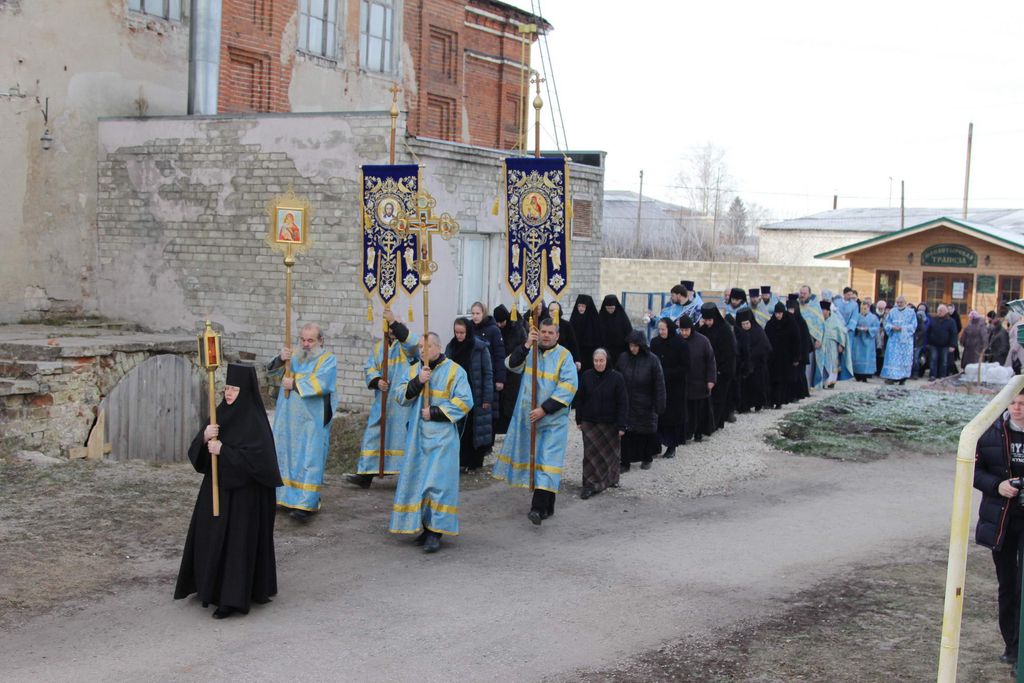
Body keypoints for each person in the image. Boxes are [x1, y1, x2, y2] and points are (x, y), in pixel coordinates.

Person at [174, 363, 281, 619]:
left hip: (244, 499)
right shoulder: (219, 413)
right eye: (227, 387)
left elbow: (261, 464)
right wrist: (204, 437)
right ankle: (208, 586)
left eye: (234, 389)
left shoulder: (255, 421)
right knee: (208, 536)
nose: (229, 393)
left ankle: (232, 599)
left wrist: (224, 451)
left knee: (236, 546)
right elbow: (198, 455)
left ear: (246, 391)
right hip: (216, 489)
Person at [389, 333, 473, 553]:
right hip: (417, 438)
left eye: (426, 347)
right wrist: (418, 381)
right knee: (420, 483)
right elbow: (399, 396)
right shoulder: (414, 370)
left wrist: (435, 412)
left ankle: (436, 532)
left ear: (438, 347)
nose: (422, 351)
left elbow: (465, 401)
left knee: (438, 485)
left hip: (442, 439)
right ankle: (425, 528)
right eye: (419, 347)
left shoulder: (455, 371)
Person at [492, 318, 579, 525]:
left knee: (548, 462)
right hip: (530, 418)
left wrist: (544, 409)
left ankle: (537, 508)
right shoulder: (530, 351)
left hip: (553, 420)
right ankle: (548, 505)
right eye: (543, 332)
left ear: (557, 335)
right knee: (538, 461)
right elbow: (511, 365)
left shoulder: (564, 356)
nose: (546, 335)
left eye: (550, 332)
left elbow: (568, 387)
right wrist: (525, 345)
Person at [973, 390, 1024, 666]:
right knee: (1007, 584)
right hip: (1001, 519)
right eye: (1012, 403)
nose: (1016, 409)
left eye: (1022, 404)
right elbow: (973, 471)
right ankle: (1012, 646)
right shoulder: (990, 432)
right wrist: (998, 486)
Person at [268, 323, 338, 520]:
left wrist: (295, 383)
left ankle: (306, 504)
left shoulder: (328, 359)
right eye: (303, 340)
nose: (306, 344)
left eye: (310, 340)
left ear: (320, 341)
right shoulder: (293, 357)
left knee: (309, 459)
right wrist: (280, 359)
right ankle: (282, 497)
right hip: (287, 419)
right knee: (285, 456)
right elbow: (271, 376)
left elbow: (323, 383)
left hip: (311, 421)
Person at [348, 311, 419, 489]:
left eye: (396, 327)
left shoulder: (407, 345)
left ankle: (405, 475)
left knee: (401, 436)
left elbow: (412, 344)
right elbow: (370, 367)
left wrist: (394, 321)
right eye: (390, 328)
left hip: (402, 401)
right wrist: (377, 380)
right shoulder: (379, 347)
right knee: (374, 433)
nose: (393, 331)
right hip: (383, 399)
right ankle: (365, 473)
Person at [574, 348, 628, 499]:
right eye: (596, 361)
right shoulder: (586, 376)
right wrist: (578, 419)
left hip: (610, 423)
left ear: (607, 360)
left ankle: (611, 479)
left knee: (611, 454)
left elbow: (623, 402)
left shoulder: (617, 378)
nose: (598, 363)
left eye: (601, 360)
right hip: (590, 421)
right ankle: (589, 484)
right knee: (590, 455)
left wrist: (622, 425)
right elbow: (580, 399)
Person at [446, 317, 494, 471]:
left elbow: (488, 374)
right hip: (457, 394)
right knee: (459, 428)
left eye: (462, 332)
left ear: (468, 331)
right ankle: (459, 461)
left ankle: (472, 462)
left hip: (475, 393)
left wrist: (487, 398)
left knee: (474, 429)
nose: (459, 336)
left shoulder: (479, 348)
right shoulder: (451, 347)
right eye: (456, 332)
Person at [616, 330, 666, 471]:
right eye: (631, 345)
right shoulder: (623, 358)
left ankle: (647, 458)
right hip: (627, 402)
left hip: (646, 403)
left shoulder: (653, 360)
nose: (633, 348)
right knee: (626, 433)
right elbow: (616, 379)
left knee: (646, 433)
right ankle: (625, 462)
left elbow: (659, 384)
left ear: (642, 345)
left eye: (636, 345)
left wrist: (660, 404)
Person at [649, 317, 688, 458]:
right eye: (659, 329)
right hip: (658, 386)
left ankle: (672, 446)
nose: (661, 332)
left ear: (669, 329)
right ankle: (655, 446)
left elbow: (685, 367)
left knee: (672, 418)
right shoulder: (655, 342)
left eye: (663, 329)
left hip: (675, 387)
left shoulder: (681, 344)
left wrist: (666, 373)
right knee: (657, 416)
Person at [699, 303, 736, 430]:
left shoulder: (725, 330)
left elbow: (729, 353)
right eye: (705, 320)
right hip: (708, 370)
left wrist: (720, 370)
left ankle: (715, 424)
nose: (708, 323)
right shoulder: (704, 329)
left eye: (710, 320)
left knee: (718, 399)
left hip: (722, 369)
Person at [493, 304, 525, 434]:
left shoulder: (517, 330)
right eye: (498, 322)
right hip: (501, 369)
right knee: (501, 401)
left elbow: (522, 348)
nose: (500, 325)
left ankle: (512, 429)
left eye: (502, 322)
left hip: (514, 371)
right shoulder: (496, 330)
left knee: (512, 400)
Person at [470, 301, 506, 410]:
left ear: (484, 313)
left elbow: (499, 355)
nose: (475, 316)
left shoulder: (493, 330)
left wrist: (500, 379)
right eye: (473, 313)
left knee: (488, 408)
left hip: (489, 374)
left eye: (478, 313)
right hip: (474, 373)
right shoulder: (470, 328)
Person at [764, 302, 800, 407]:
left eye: (780, 313)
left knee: (782, 381)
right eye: (776, 313)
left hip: (786, 358)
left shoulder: (791, 323)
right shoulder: (770, 324)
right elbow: (765, 339)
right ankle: (771, 401)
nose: (778, 315)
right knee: (772, 380)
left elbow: (796, 341)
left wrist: (796, 357)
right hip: (773, 358)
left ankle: (779, 401)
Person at [736, 309, 771, 410]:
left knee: (757, 386)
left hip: (757, 365)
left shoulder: (758, 331)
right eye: (743, 324)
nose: (745, 326)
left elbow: (765, 347)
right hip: (743, 366)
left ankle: (758, 404)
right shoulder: (738, 333)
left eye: (747, 323)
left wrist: (752, 356)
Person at [881, 296, 918, 385]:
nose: (899, 304)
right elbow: (887, 323)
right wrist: (892, 327)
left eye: (901, 302)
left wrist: (902, 328)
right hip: (894, 340)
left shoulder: (911, 312)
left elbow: (913, 325)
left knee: (904, 360)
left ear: (905, 302)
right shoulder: (892, 311)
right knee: (892, 359)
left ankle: (903, 378)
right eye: (897, 302)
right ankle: (891, 377)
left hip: (905, 341)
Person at [798, 286, 826, 389]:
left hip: (810, 339)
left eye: (804, 293)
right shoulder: (796, 304)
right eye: (801, 293)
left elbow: (820, 323)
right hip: (798, 338)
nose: (802, 295)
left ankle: (808, 386)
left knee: (809, 365)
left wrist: (819, 338)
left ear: (809, 294)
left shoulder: (815, 306)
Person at [786, 295, 812, 400]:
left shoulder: (801, 322)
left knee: (799, 374)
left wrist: (799, 356)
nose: (790, 311)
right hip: (790, 353)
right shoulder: (787, 321)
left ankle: (799, 394)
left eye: (792, 309)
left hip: (800, 354)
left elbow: (805, 341)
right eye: (788, 309)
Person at [570, 294, 603, 373]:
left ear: (588, 307)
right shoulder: (574, 318)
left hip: (590, 355)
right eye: (579, 306)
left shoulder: (595, 321)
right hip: (576, 354)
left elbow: (599, 339)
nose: (580, 308)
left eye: (583, 306)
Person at [819, 300, 849, 389]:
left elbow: (842, 331)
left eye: (823, 310)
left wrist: (841, 344)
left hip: (832, 345)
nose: (821, 312)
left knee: (832, 363)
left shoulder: (835, 320)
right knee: (822, 363)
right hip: (821, 345)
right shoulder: (818, 319)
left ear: (828, 310)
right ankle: (822, 381)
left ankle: (831, 381)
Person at [598, 294, 633, 365]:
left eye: (612, 308)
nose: (610, 310)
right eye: (608, 308)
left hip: (620, 351)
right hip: (605, 351)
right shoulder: (601, 317)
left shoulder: (622, 317)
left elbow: (629, 333)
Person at [851, 300, 880, 382]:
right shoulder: (857, 316)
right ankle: (857, 375)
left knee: (867, 356)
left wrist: (868, 329)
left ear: (869, 308)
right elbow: (853, 325)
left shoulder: (873, 317)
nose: (863, 310)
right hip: (858, 339)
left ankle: (865, 375)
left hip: (868, 340)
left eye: (865, 308)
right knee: (857, 356)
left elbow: (876, 328)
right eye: (862, 308)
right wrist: (857, 329)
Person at [927, 304, 957, 380]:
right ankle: (932, 375)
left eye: (941, 311)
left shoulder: (951, 321)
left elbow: (954, 334)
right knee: (933, 360)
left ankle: (942, 376)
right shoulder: (933, 319)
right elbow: (928, 331)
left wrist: (953, 345)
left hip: (946, 345)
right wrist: (927, 342)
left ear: (946, 312)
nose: (939, 312)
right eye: (938, 310)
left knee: (944, 361)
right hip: (933, 344)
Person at [548, 301, 581, 369]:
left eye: (555, 310)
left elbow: (573, 343)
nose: (553, 312)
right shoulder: (545, 324)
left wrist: (577, 359)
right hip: (548, 358)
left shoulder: (566, 325)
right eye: (551, 310)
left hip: (563, 359)